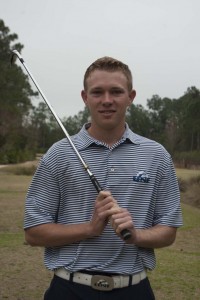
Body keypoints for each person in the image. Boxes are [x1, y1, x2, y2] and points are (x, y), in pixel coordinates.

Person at [24, 56, 183, 300]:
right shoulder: (58, 154)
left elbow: (168, 231)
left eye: (116, 92)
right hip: (69, 288)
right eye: (97, 92)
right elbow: (33, 232)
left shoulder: (156, 155)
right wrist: (89, 228)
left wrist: (137, 235)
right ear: (85, 97)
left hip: (134, 289)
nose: (107, 100)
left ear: (131, 96)